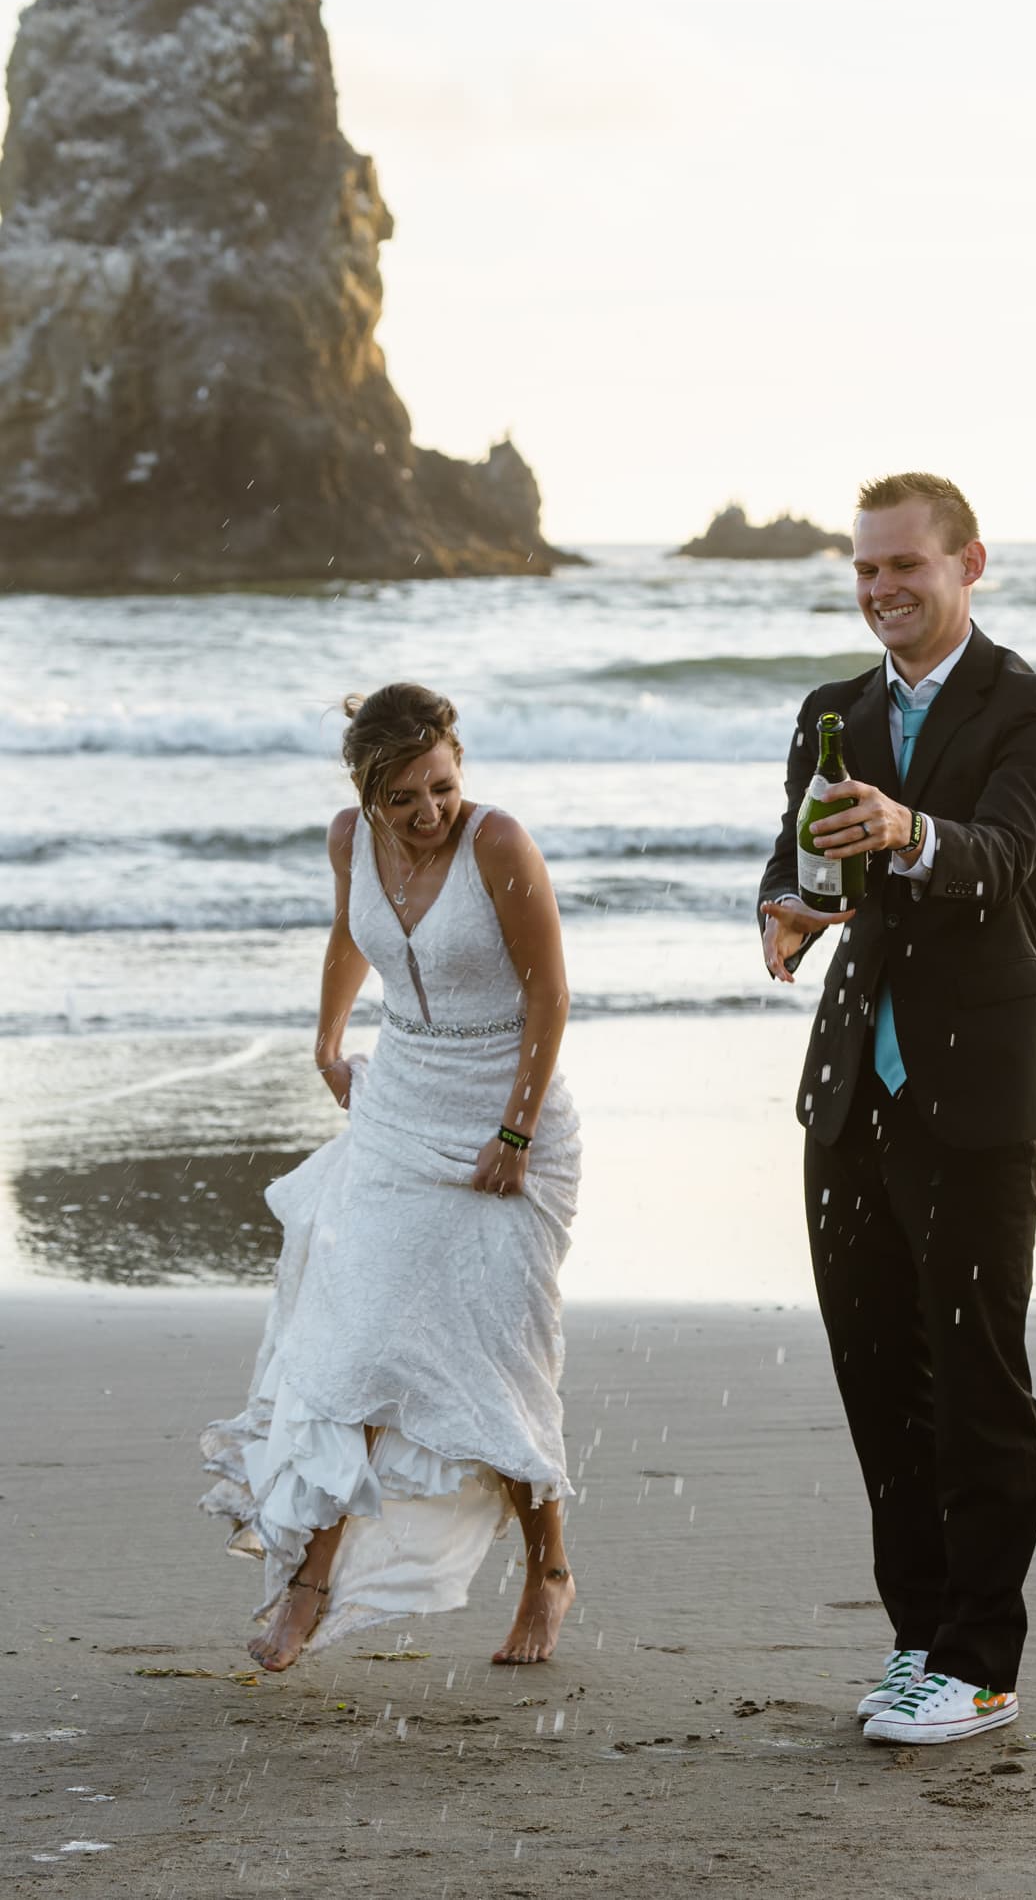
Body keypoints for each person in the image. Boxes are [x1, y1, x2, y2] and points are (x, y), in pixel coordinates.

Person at [759, 473, 1036, 1747]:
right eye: (866, 570)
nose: (883, 588)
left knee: (976, 1376)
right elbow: (799, 857)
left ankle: (982, 1663)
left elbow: (1005, 854)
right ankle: (917, 1642)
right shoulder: (831, 712)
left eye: (906, 566)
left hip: (977, 1090)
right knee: (879, 1371)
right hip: (849, 1094)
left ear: (969, 564)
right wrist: (786, 905)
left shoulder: (1035, 710)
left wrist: (908, 831)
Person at [201, 683, 582, 1673]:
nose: (428, 813)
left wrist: (517, 1128)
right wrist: (326, 1034)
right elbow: (349, 934)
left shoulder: (497, 844)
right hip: (397, 1110)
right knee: (353, 1348)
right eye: (404, 797)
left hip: (507, 1125)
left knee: (498, 1358)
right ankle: (308, 1586)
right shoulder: (348, 840)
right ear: (365, 793)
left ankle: (548, 1569)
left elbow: (550, 992)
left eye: (443, 787)